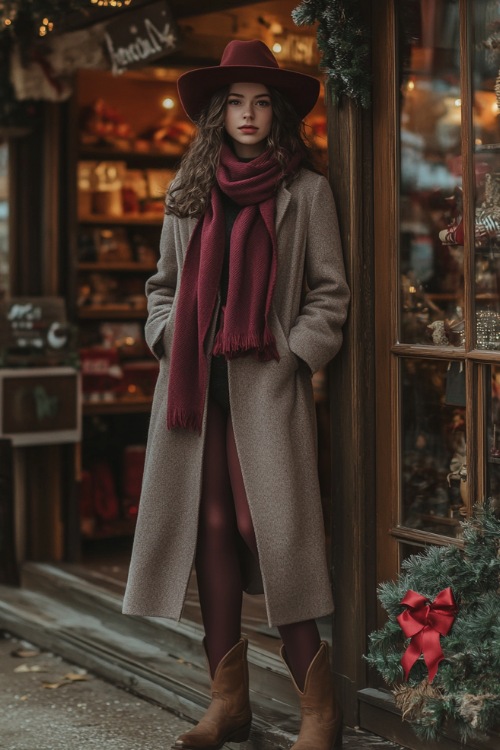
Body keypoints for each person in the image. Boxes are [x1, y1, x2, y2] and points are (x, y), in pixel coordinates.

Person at [122, 39, 350, 750]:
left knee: (268, 531)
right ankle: (227, 704)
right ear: (217, 114)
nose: (248, 115)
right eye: (236, 103)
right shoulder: (187, 194)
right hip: (195, 393)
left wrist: (292, 355)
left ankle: (320, 707)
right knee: (211, 531)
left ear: (276, 114)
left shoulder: (306, 192)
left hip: (266, 391)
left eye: (260, 102)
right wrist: (165, 335)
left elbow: (330, 297)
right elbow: (161, 289)